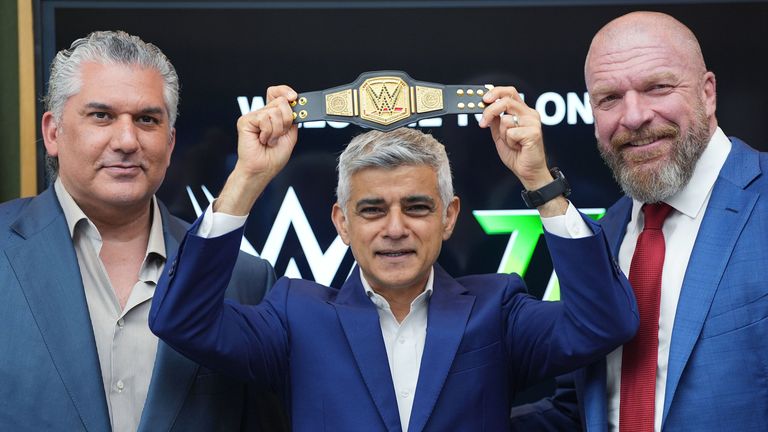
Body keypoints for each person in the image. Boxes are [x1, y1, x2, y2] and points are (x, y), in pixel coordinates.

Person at [149, 82, 639, 432]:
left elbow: (603, 323)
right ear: (342, 223)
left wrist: (538, 179)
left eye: (417, 207)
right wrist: (248, 178)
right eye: (372, 210)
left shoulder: (498, 309)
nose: (396, 228)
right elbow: (181, 320)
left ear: (449, 218)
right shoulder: (295, 315)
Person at [0, 31, 286, 431]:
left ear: (170, 144)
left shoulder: (245, 280)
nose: (127, 140)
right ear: (53, 133)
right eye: (101, 116)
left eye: (146, 119)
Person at [510, 11, 768, 432]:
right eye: (609, 98)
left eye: (658, 87)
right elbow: (577, 411)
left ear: (707, 93)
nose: (633, 117)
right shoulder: (606, 234)